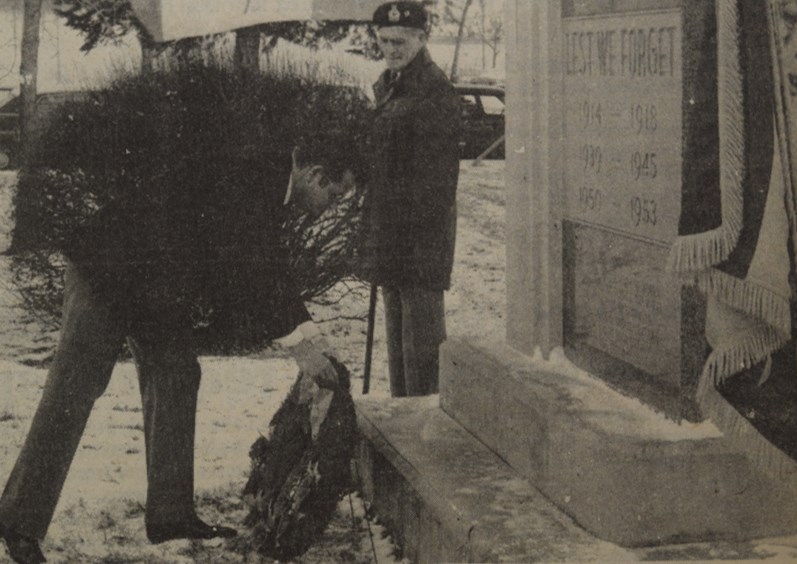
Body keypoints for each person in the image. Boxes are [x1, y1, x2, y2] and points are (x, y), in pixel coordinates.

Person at [0, 151, 347, 564]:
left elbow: (268, 264)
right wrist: (301, 350)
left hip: (155, 286)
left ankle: (170, 514)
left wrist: (312, 336)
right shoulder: (256, 178)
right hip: (109, 270)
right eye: (336, 197)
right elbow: (255, 268)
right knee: (74, 388)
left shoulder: (267, 179)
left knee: (178, 373)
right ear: (316, 175)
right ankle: (18, 520)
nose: (333, 208)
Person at [360, 1, 461, 397]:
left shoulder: (434, 92)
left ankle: (426, 443)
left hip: (418, 244)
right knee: (399, 356)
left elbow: (436, 184)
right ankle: (402, 436)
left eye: (400, 41)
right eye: (384, 41)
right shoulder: (391, 84)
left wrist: (403, 230)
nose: (391, 48)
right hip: (392, 239)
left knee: (422, 358)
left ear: (422, 38)